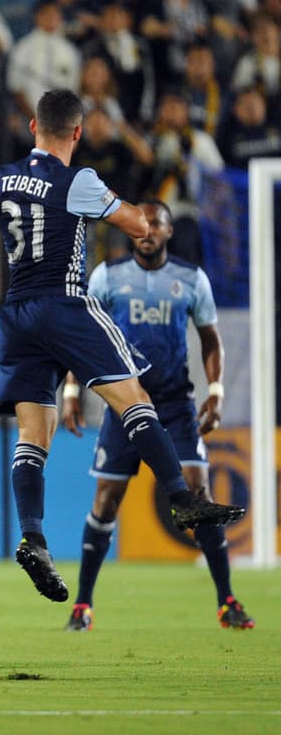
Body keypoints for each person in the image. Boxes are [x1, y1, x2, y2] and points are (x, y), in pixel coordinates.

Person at [0, 88, 244, 603]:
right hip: (65, 304)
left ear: (33, 128)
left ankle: (33, 537)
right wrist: (120, 206)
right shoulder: (77, 180)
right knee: (135, 401)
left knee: (34, 433)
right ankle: (182, 500)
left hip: (16, 315)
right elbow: (137, 224)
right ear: (77, 133)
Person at [60, 200, 253, 632]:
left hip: (174, 405)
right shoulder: (108, 276)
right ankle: (83, 605)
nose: (146, 231)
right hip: (125, 403)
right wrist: (71, 388)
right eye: (140, 225)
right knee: (106, 499)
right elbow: (83, 336)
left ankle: (227, 602)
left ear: (168, 232)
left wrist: (216, 392)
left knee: (197, 496)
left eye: (155, 225)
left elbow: (210, 340)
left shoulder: (190, 279)